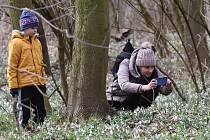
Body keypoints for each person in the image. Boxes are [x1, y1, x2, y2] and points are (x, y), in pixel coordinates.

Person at [7, 10, 46, 128]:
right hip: (23, 85)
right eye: (33, 27)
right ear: (25, 27)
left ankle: (37, 131)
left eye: (36, 27)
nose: (35, 30)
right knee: (25, 113)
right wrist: (13, 86)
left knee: (41, 112)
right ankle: (24, 132)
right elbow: (12, 66)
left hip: (37, 83)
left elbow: (40, 64)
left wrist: (42, 82)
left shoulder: (37, 42)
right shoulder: (16, 43)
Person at [107, 42, 173, 111]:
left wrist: (167, 88)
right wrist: (145, 87)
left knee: (153, 83)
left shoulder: (154, 72)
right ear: (139, 65)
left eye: (152, 67)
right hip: (116, 100)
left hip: (137, 107)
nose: (150, 70)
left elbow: (162, 89)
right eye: (147, 67)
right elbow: (124, 85)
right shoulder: (126, 64)